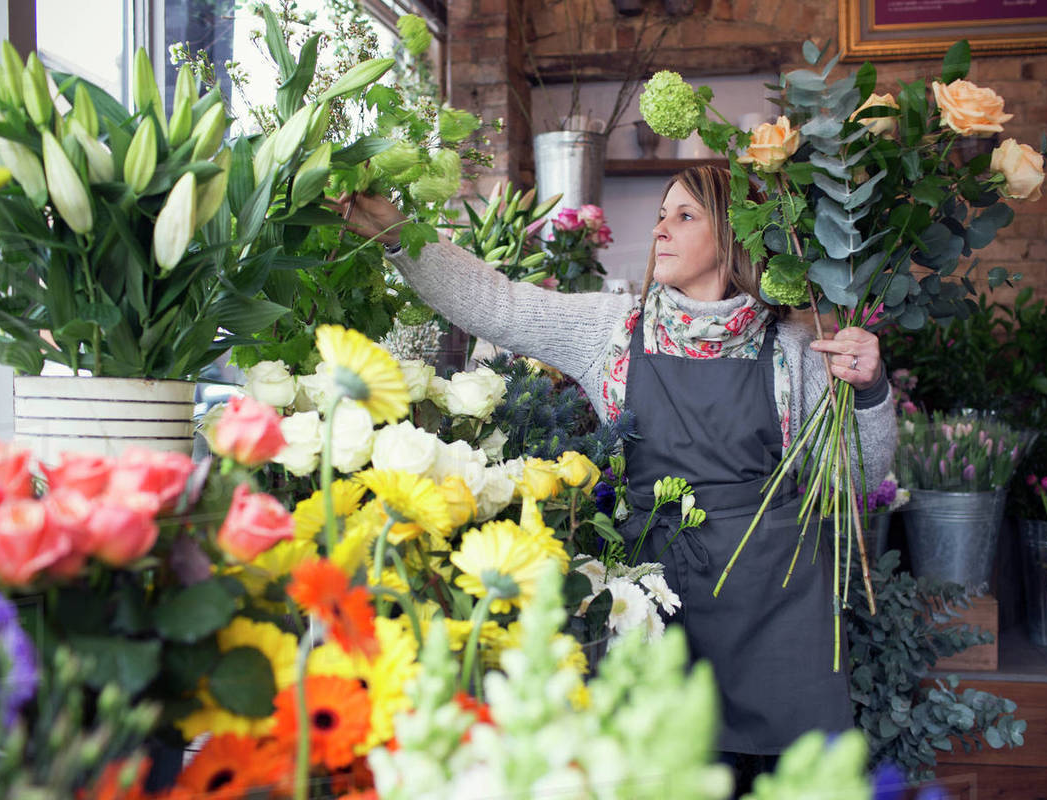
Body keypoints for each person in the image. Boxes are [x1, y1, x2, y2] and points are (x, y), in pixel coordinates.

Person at [343, 165, 897, 794]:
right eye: (662, 214)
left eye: (684, 216)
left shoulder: (798, 347)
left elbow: (857, 479)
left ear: (736, 235)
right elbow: (496, 303)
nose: (660, 229)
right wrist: (399, 236)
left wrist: (871, 391)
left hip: (778, 607)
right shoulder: (611, 330)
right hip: (652, 593)